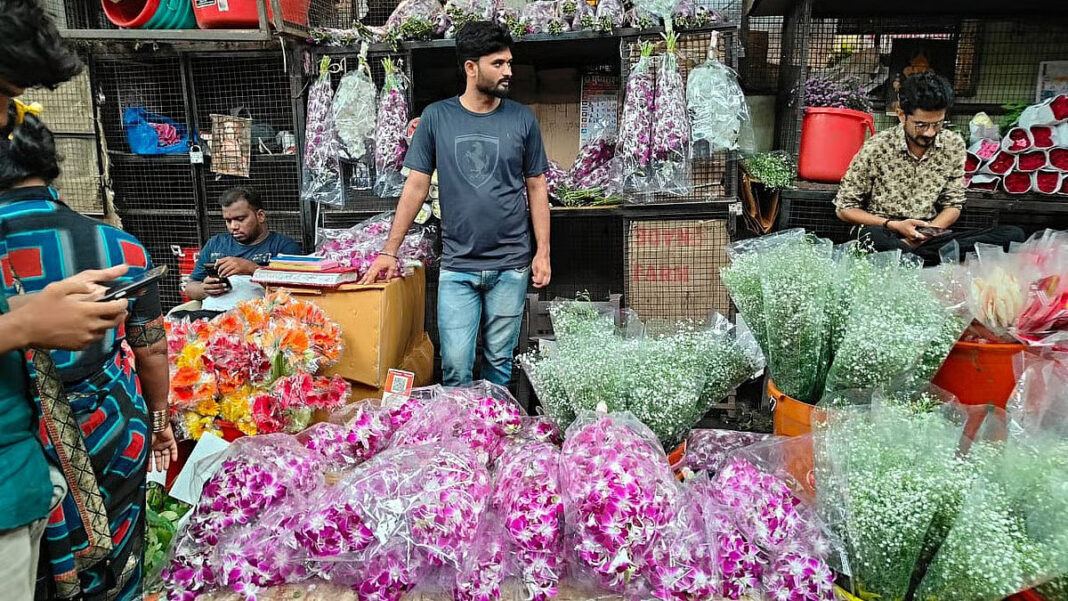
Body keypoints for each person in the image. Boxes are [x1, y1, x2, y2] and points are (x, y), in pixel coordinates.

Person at [1, 105, 175, 601]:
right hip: (109, 430)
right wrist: (160, 417)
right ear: (50, 163)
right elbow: (151, 349)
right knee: (119, 554)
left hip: (20, 446)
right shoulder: (119, 248)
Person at [0, 3, 132, 601]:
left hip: (25, 478)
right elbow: (148, 348)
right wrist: (23, 324)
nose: (6, 120)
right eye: (3, 96)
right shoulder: (110, 241)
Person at [361, 21, 552, 387]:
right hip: (458, 265)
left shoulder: (522, 119)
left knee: (499, 364)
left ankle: (494, 437)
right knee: (455, 367)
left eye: (509, 62)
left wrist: (542, 252)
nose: (508, 71)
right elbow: (416, 186)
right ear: (470, 67)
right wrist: (389, 251)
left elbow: (536, 187)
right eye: (498, 63)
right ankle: (460, 439)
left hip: (511, 264)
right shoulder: (436, 117)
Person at [834, 72, 1024, 264]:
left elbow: (953, 205)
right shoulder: (877, 147)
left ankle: (906, 259)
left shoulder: (952, 144)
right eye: (921, 125)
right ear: (901, 115)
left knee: (1012, 235)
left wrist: (923, 235)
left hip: (929, 236)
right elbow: (844, 209)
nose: (930, 132)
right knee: (871, 236)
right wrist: (895, 225)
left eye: (937, 124)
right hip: (887, 232)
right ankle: (917, 259)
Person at [179, 186, 301, 319]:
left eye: (240, 219)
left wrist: (252, 269)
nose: (233, 226)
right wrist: (205, 288)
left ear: (260, 216)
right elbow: (190, 287)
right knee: (172, 319)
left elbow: (294, 293)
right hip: (208, 316)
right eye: (228, 220)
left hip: (254, 319)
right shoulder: (215, 243)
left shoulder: (284, 246)